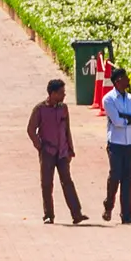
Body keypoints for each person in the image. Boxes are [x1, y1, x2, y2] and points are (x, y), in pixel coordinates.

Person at [28, 78, 83, 223]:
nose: (64, 95)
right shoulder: (40, 109)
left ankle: (76, 213)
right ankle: (48, 215)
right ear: (52, 93)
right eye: (61, 93)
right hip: (48, 151)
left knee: (67, 182)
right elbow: (31, 129)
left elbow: (67, 130)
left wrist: (70, 149)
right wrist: (40, 146)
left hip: (63, 152)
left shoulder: (63, 108)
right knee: (47, 183)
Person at [98, 69, 131, 222]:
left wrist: (128, 118)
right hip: (116, 143)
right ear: (118, 80)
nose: (128, 80)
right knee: (115, 176)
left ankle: (127, 214)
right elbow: (116, 122)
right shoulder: (109, 99)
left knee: (128, 178)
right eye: (125, 78)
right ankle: (109, 205)